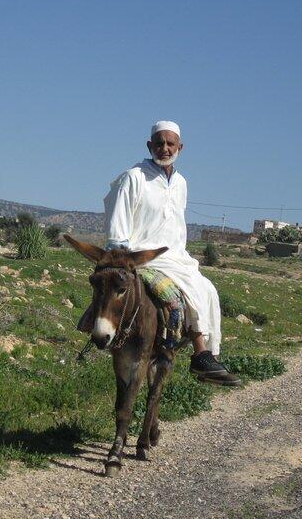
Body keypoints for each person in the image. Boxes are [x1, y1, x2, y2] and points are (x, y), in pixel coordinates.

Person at [79, 120, 241, 386]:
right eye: (159, 143)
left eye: (170, 143)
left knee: (207, 289)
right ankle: (200, 352)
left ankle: (203, 354)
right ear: (149, 145)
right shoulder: (134, 177)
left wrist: (181, 253)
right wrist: (121, 255)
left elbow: (176, 224)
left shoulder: (181, 183)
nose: (164, 148)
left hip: (175, 257)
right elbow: (118, 219)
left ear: (180, 147)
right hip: (140, 255)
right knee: (182, 293)